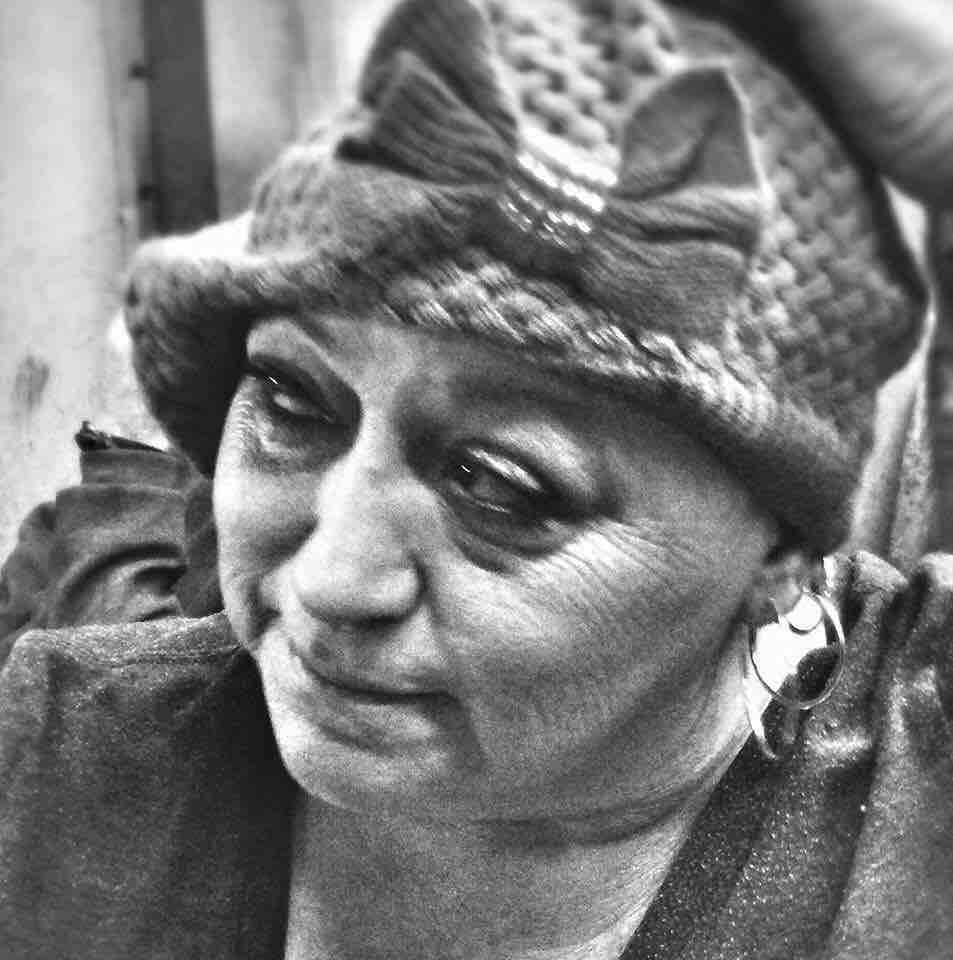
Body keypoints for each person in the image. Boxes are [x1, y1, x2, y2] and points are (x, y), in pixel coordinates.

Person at [2, 1, 952, 958]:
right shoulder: (55, 760)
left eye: (499, 486)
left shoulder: (918, 783)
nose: (330, 582)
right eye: (292, 403)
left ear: (777, 557)